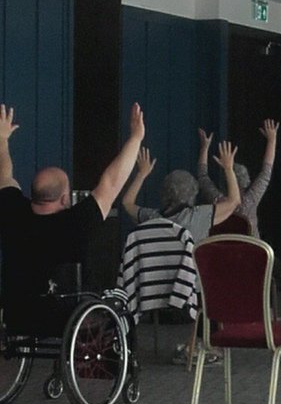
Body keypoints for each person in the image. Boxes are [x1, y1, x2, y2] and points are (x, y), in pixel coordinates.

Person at [0, 101, 145, 334]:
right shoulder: (76, 222)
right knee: (120, 301)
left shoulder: (12, 213)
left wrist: (2, 139)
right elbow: (111, 182)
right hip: (68, 322)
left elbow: (4, 175)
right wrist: (136, 138)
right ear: (65, 199)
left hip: (18, 318)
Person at [121, 142, 240, 242]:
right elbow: (234, 202)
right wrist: (228, 168)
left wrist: (141, 174)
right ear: (193, 193)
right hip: (189, 270)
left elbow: (127, 203)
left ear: (164, 192)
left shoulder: (151, 217)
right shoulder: (198, 216)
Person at [196, 120, 278, 238]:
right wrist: (272, 140)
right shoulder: (251, 200)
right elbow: (266, 172)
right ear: (247, 180)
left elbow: (202, 177)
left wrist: (204, 147)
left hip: (222, 253)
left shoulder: (218, 200)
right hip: (251, 252)